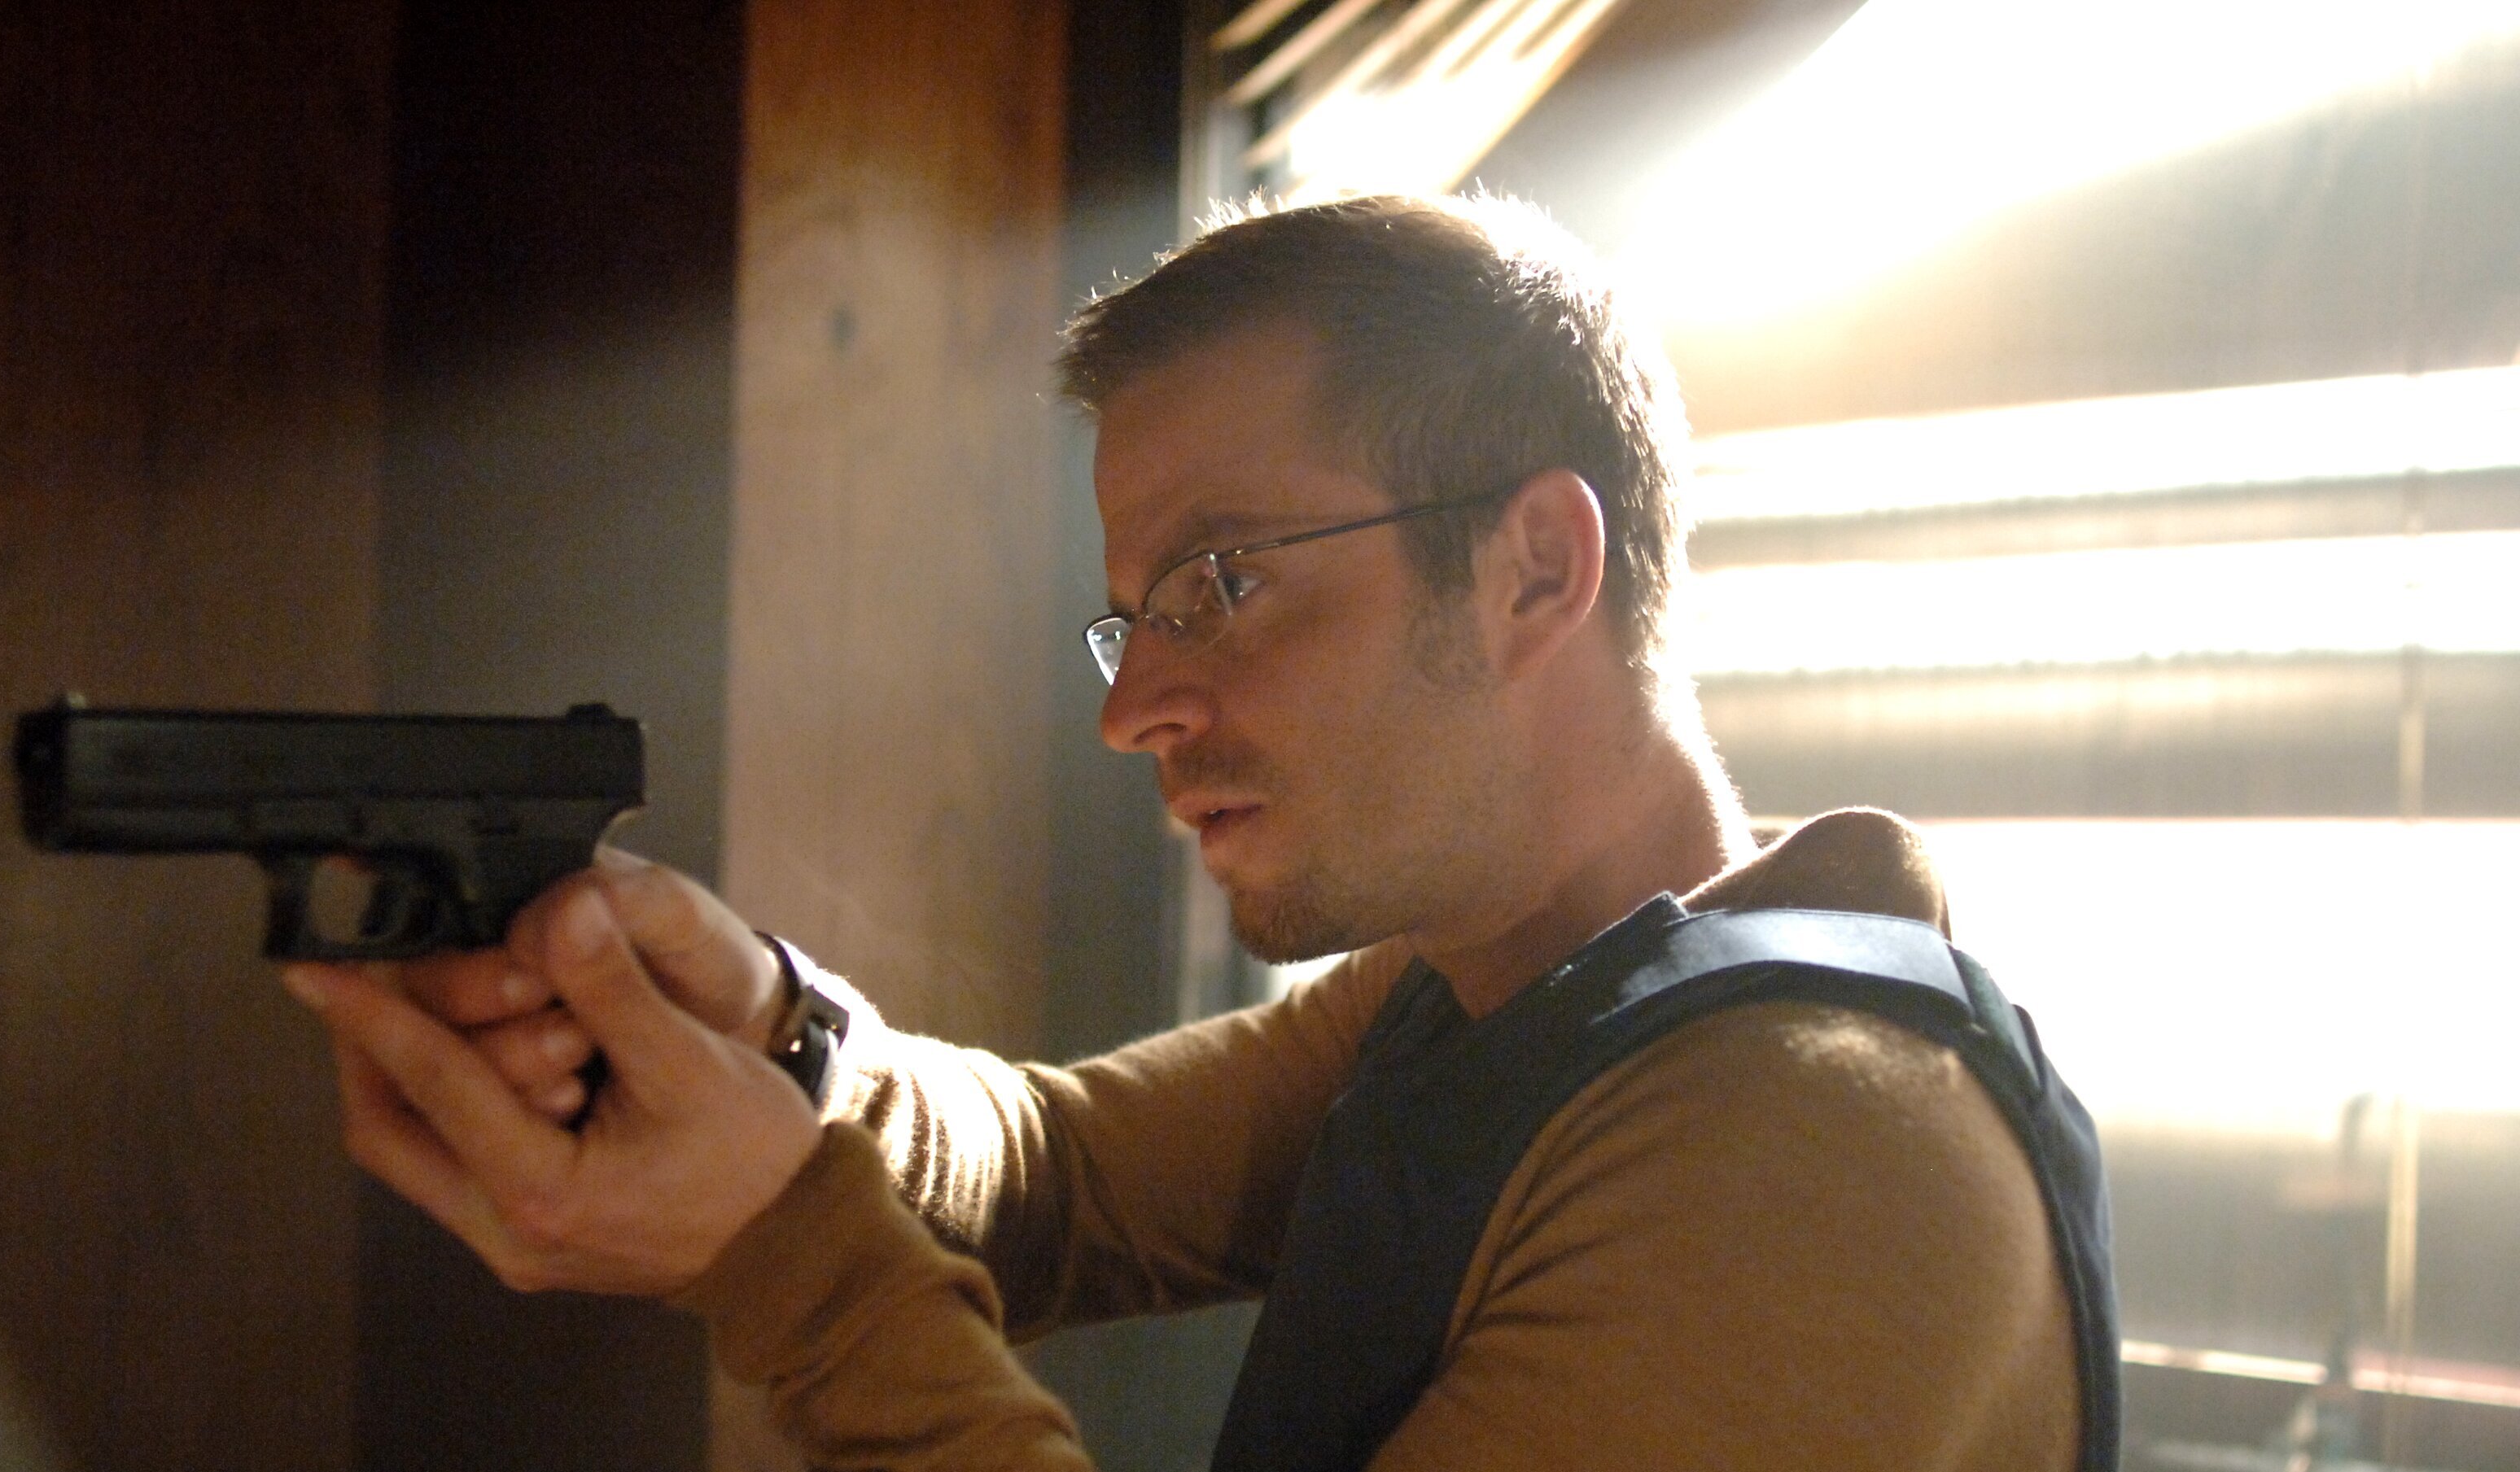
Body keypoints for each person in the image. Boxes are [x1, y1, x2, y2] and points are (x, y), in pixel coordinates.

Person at [282, 194, 2115, 1470]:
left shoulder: (1809, 1146)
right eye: (1133, 615)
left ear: (1535, 568)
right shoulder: (1504, 983)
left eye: (1222, 580)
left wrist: (788, 1253)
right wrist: (769, 1026)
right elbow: (1059, 1178)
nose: (1131, 706)